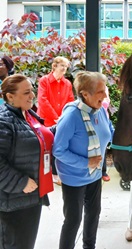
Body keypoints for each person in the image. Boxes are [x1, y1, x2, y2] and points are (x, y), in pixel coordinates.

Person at [52, 71, 114, 249]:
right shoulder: (72, 116)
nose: (104, 96)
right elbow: (59, 150)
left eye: (105, 90)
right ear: (84, 94)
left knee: (94, 214)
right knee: (73, 220)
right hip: (74, 178)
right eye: (100, 92)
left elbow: (110, 132)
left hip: (94, 176)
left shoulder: (100, 110)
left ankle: (89, 247)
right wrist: (86, 162)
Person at [0, 74, 54, 249]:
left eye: (32, 91)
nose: (32, 96)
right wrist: (20, 182)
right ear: (10, 97)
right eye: (26, 92)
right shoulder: (4, 121)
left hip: (30, 199)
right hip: (13, 203)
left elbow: (36, 138)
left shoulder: (27, 115)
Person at [37, 56, 75, 185]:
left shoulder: (67, 83)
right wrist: (56, 117)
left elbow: (71, 101)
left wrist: (64, 117)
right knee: (47, 147)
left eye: (66, 66)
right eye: (62, 65)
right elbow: (42, 101)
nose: (64, 68)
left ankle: (56, 173)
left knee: (59, 146)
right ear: (54, 66)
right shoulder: (44, 81)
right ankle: (47, 174)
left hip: (61, 120)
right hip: (47, 120)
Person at [101, 87, 111, 182]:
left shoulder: (105, 88)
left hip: (104, 119)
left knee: (104, 145)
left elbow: (106, 102)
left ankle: (103, 171)